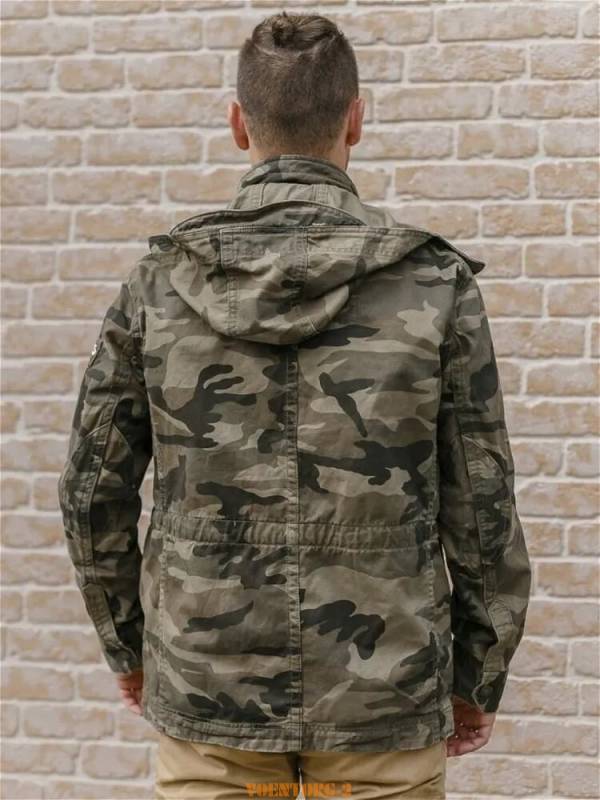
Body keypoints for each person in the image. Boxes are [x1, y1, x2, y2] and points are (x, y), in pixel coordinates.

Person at [57, 10, 532, 800]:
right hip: (384, 695)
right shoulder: (434, 284)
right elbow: (482, 504)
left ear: (238, 123)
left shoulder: (159, 286)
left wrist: (133, 650)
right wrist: (477, 674)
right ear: (356, 119)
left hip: (207, 690)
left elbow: (90, 491)